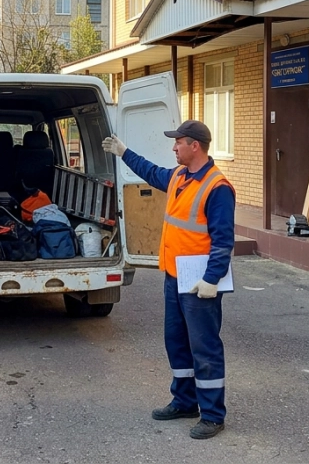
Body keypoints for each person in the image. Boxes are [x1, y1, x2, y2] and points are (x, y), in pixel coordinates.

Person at [102, 120, 234, 440]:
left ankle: (212, 415)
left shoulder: (217, 187)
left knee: (204, 347)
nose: (174, 147)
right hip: (176, 276)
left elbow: (223, 240)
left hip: (200, 282)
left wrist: (212, 279)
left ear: (195, 146)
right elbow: (151, 172)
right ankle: (185, 401)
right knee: (176, 341)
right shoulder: (179, 176)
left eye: (179, 142)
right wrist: (124, 152)